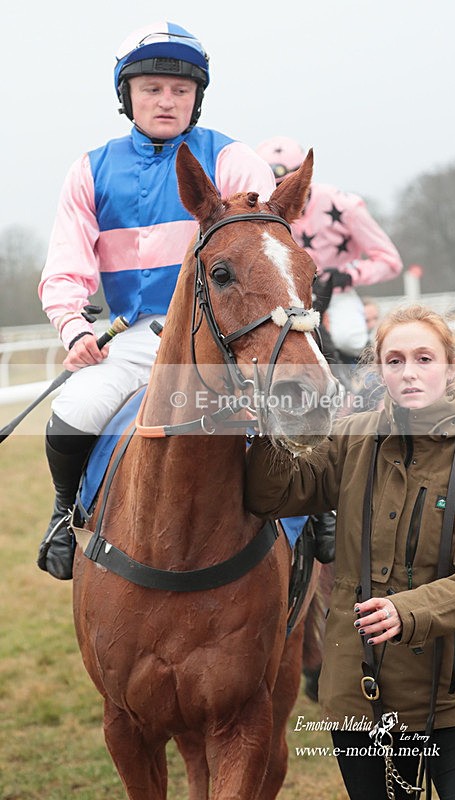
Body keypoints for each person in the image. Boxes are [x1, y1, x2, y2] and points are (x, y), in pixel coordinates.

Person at [245, 305, 455, 800]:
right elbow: (272, 495)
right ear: (379, 371)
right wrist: (273, 424)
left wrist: (408, 610)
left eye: (424, 357)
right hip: (362, 695)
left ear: (452, 368)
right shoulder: (353, 437)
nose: (410, 372)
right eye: (394, 361)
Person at [37, 21, 277, 581]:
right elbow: (64, 265)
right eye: (151, 88)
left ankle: (318, 513)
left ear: (197, 97)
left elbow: (270, 249)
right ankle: (62, 516)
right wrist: (74, 328)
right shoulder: (89, 170)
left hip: (224, 337)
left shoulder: (232, 160)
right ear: (127, 96)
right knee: (72, 415)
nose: (166, 100)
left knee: (288, 410)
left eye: (180, 90)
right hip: (133, 336)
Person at [255, 136, 403, 362]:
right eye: (273, 187)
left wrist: (348, 275)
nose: (281, 196)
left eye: (288, 186)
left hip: (336, 295)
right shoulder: (257, 213)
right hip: (284, 297)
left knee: (348, 340)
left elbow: (390, 261)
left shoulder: (345, 205)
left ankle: (363, 387)